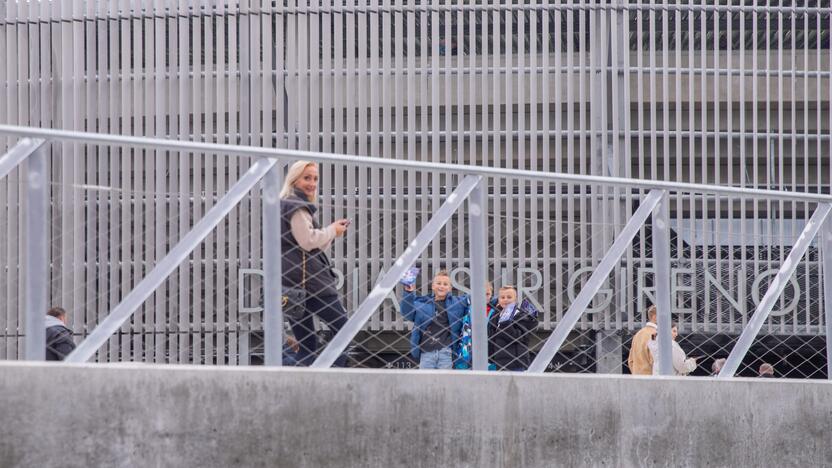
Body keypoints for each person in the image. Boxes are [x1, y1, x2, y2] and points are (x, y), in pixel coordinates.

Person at [280, 160, 351, 366]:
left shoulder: (285, 203)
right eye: (307, 177)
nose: (312, 183)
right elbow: (308, 241)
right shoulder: (297, 206)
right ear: (294, 179)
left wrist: (332, 232)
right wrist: (331, 231)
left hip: (293, 287)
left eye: (315, 178)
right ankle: (333, 375)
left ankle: (302, 384)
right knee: (344, 330)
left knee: (306, 345)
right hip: (312, 285)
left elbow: (310, 246)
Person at [399, 270, 469, 369]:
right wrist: (408, 292)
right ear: (432, 286)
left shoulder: (457, 303)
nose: (442, 286)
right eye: (438, 283)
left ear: (450, 288)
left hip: (446, 351)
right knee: (425, 381)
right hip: (426, 352)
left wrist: (496, 300)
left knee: (444, 381)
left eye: (445, 284)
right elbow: (407, 312)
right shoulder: (422, 303)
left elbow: (476, 298)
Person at [487, 285, 538, 371]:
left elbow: (519, 337)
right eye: (502, 297)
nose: (505, 299)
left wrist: (505, 323)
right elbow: (492, 337)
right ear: (499, 300)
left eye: (509, 297)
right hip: (499, 362)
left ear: (515, 299)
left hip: (516, 362)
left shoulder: (521, 315)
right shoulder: (496, 315)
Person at [455, 282, 497, 370]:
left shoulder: (494, 311)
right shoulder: (466, 308)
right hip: (467, 348)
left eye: (487, 294)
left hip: (487, 349)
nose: (484, 297)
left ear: (491, 295)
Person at [627, 305, 657, 375]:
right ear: (655, 317)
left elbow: (630, 360)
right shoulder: (655, 334)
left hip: (637, 377)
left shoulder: (638, 334)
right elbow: (654, 359)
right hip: (651, 378)